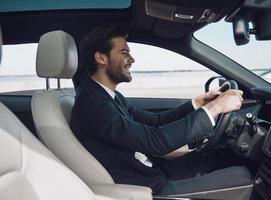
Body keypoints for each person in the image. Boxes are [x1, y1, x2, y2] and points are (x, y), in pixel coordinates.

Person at [71, 25, 248, 195]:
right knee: (242, 177)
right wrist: (215, 108)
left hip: (153, 170)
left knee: (218, 155)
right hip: (147, 187)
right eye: (125, 53)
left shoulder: (108, 96)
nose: (132, 60)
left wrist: (197, 103)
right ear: (101, 58)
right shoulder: (92, 103)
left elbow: (155, 122)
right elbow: (155, 142)